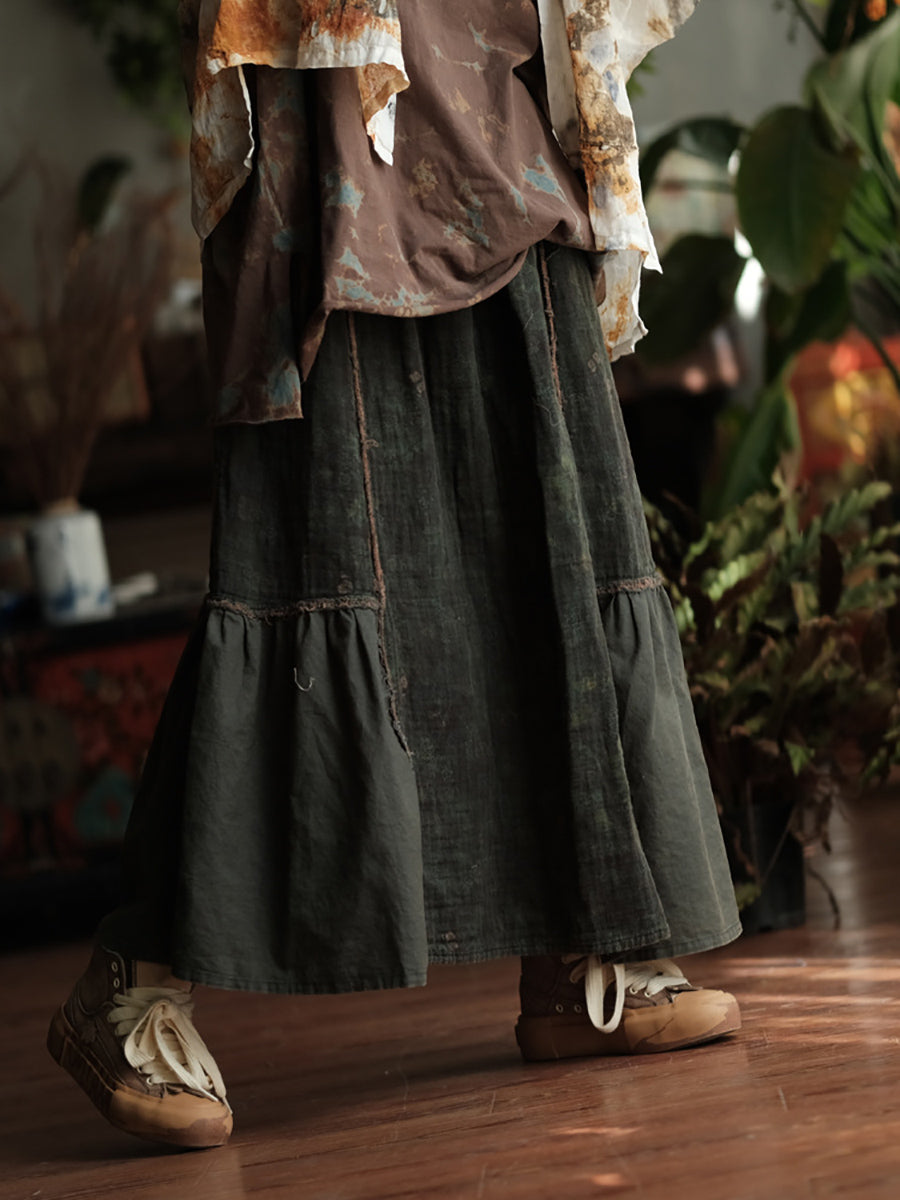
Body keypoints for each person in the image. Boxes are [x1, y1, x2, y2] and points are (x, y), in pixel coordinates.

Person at [47, 0, 742, 1150]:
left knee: (552, 514)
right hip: (332, 81)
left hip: (501, 89)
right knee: (310, 555)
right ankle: (135, 974)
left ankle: (585, 953)